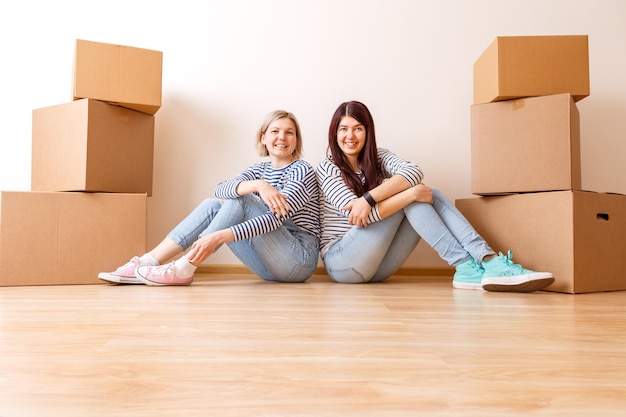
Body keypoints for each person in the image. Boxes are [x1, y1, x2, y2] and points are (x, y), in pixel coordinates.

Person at [316, 100, 554, 292]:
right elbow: (359, 218)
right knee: (413, 197)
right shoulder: (327, 167)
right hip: (342, 264)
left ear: (368, 132)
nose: (350, 136)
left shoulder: (378, 157)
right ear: (334, 134)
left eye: (358, 128)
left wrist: (369, 199)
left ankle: (485, 261)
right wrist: (408, 194)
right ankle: (467, 264)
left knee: (428, 194)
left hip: (377, 270)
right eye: (343, 129)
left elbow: (414, 171)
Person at [99, 110, 320, 286]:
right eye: (275, 131)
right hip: (268, 268)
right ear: (263, 138)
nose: (282, 137)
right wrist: (259, 185)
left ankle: (185, 266)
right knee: (213, 205)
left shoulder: (302, 170)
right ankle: (147, 261)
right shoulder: (259, 171)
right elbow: (221, 189)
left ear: (296, 140)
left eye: (289, 132)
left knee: (242, 200)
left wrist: (218, 237)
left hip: (297, 260)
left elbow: (273, 220)